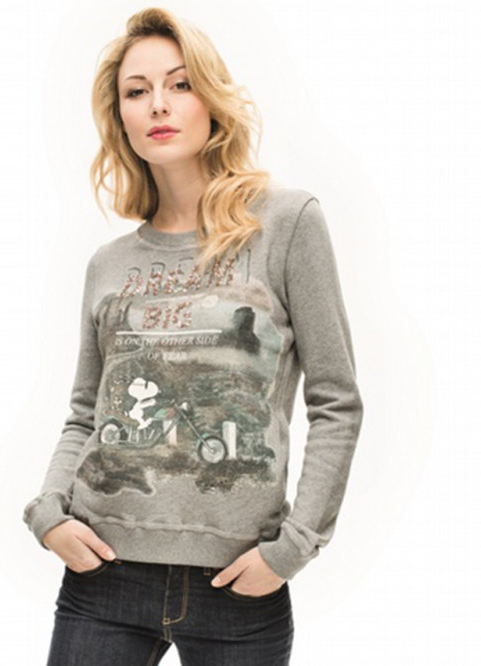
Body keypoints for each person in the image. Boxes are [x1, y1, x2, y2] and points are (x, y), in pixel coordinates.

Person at [22, 7, 364, 665]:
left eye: (180, 84)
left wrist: (293, 547)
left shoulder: (286, 224)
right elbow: (86, 414)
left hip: (238, 585)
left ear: (212, 99)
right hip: (102, 578)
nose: (159, 103)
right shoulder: (109, 265)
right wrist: (50, 515)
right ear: (120, 117)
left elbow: (336, 401)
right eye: (137, 90)